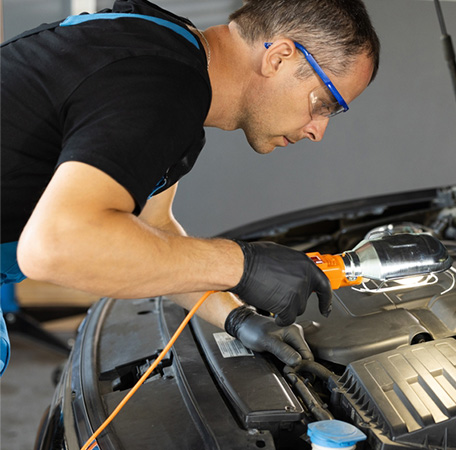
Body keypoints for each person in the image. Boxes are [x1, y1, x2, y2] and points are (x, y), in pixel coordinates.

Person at [0, 0, 380, 376]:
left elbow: (155, 229)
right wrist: (243, 265)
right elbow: (54, 246)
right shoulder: (162, 84)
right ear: (279, 57)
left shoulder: (168, 47)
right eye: (325, 104)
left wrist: (236, 317)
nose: (318, 130)